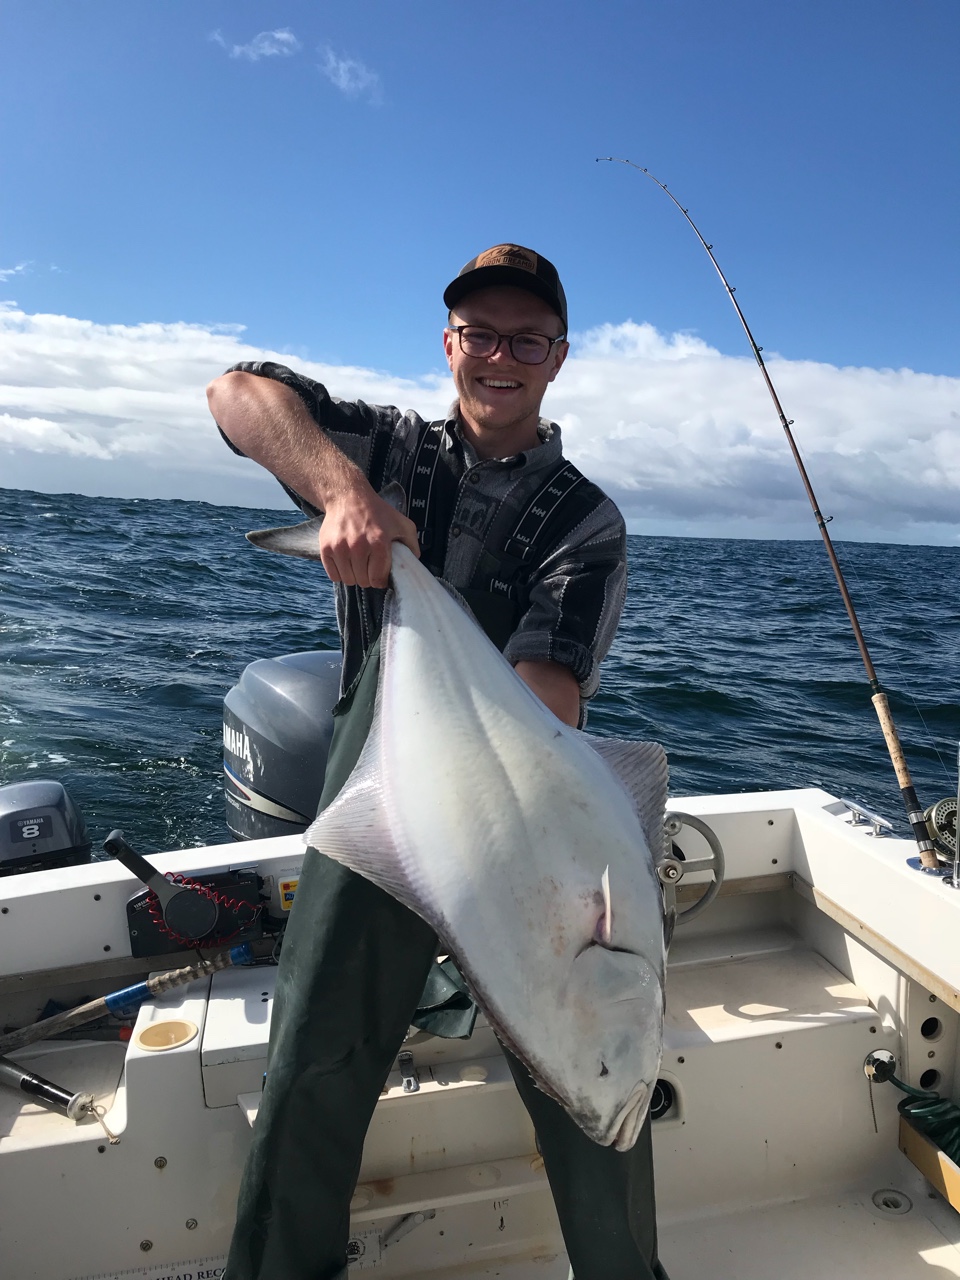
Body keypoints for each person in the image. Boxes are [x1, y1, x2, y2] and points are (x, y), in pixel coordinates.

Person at [206, 243, 668, 1280]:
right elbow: (237, 393)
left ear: (557, 359)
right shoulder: (389, 447)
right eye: (482, 333)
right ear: (448, 341)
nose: (501, 355)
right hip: (384, 790)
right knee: (310, 1067)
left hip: (525, 819)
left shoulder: (584, 518)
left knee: (597, 1094)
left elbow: (549, 697)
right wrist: (343, 494)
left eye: (528, 339)